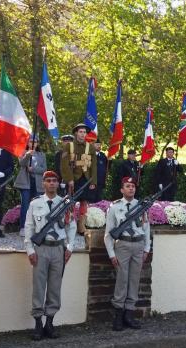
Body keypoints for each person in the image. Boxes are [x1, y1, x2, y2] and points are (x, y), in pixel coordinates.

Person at [24, 171, 76, 341]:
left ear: (58, 184)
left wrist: (70, 247)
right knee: (38, 286)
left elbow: (72, 227)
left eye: (55, 181)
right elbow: (29, 228)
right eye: (48, 181)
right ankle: (38, 323)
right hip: (41, 249)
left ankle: (50, 323)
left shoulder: (65, 203)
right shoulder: (35, 204)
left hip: (58, 249)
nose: (52, 183)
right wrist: (30, 250)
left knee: (55, 286)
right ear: (43, 184)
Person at [104, 177, 151, 331]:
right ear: (122, 190)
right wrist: (111, 253)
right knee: (122, 280)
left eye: (133, 186)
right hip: (122, 245)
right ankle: (118, 315)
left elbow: (146, 229)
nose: (131, 188)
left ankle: (129, 314)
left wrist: (146, 249)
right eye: (127, 186)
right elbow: (108, 233)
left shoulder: (141, 206)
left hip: (138, 244)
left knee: (134, 280)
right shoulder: (115, 207)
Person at [60, 123, 97, 235]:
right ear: (76, 133)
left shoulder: (90, 147)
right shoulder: (69, 146)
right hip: (73, 178)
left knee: (84, 201)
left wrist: (93, 181)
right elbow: (64, 164)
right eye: (80, 132)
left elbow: (94, 165)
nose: (82, 134)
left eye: (84, 132)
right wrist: (69, 179)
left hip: (85, 179)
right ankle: (68, 223)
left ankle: (81, 226)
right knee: (69, 202)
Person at [14, 135, 47, 237]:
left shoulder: (41, 155)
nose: (33, 144)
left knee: (37, 206)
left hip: (37, 183)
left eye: (35, 142)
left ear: (37, 143)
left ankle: (37, 226)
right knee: (25, 205)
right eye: (31, 141)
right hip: (25, 183)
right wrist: (28, 154)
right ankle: (23, 227)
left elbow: (44, 169)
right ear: (27, 143)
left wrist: (34, 170)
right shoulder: (23, 152)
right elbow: (22, 163)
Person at [94, 138, 108, 203]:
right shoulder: (90, 155)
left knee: (99, 201)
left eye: (100, 145)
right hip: (92, 182)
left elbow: (107, 166)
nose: (99, 146)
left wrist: (110, 160)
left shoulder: (103, 155)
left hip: (100, 182)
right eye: (97, 144)